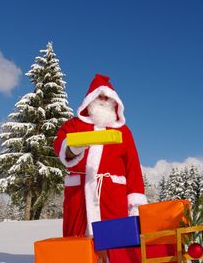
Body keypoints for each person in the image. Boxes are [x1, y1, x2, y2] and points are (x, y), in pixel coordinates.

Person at [54, 73, 147, 237]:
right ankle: (80, 262)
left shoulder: (123, 132)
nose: (103, 99)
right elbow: (60, 146)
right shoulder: (74, 125)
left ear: (114, 101)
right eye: (99, 96)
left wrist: (135, 203)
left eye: (107, 97)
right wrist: (73, 147)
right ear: (90, 99)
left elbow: (133, 166)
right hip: (79, 193)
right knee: (77, 243)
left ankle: (113, 262)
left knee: (115, 240)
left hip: (112, 194)